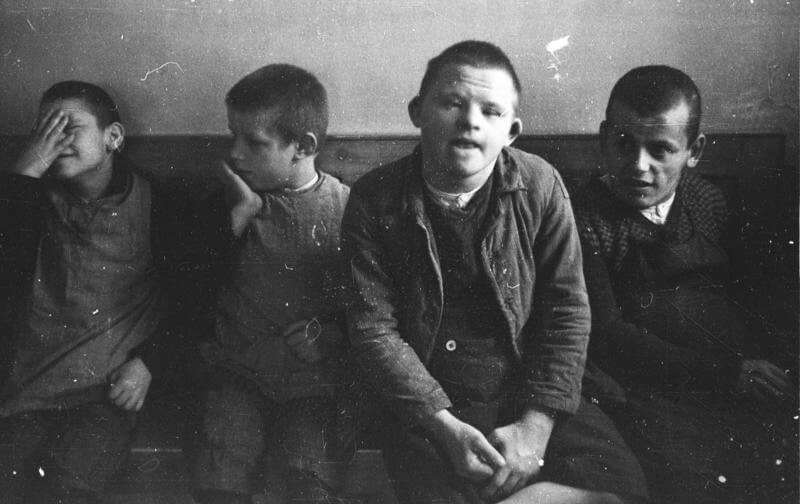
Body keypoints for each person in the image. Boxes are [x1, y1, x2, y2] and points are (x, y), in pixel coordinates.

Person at [341, 40, 648, 504]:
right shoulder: (373, 199)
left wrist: (535, 427)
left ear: (511, 131)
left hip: (529, 388)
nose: (471, 121)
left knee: (619, 489)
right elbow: (373, 332)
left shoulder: (540, 185)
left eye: (491, 111)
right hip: (430, 402)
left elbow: (566, 311)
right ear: (417, 111)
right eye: (452, 102)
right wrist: (442, 427)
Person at [574, 65, 797, 503]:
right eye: (623, 145)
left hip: (743, 372)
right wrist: (723, 373)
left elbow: (756, 291)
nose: (639, 166)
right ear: (604, 138)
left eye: (660, 150)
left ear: (694, 150)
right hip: (657, 388)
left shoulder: (708, 200)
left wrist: (764, 362)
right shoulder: (583, 220)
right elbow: (608, 333)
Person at [0, 81, 172, 503]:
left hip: (107, 390)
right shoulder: (33, 200)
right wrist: (24, 174)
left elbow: (191, 297)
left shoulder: (157, 203)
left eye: (68, 127)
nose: (53, 142)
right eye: (44, 130)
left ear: (112, 137)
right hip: (33, 384)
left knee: (71, 481)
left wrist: (150, 362)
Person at [188, 64, 351, 504]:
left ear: (304, 146)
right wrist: (237, 218)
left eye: (254, 143)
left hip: (312, 382)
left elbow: (366, 302)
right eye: (232, 137)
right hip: (236, 372)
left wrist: (329, 334)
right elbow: (193, 288)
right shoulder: (226, 205)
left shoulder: (346, 210)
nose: (236, 155)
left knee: (306, 477)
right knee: (221, 471)